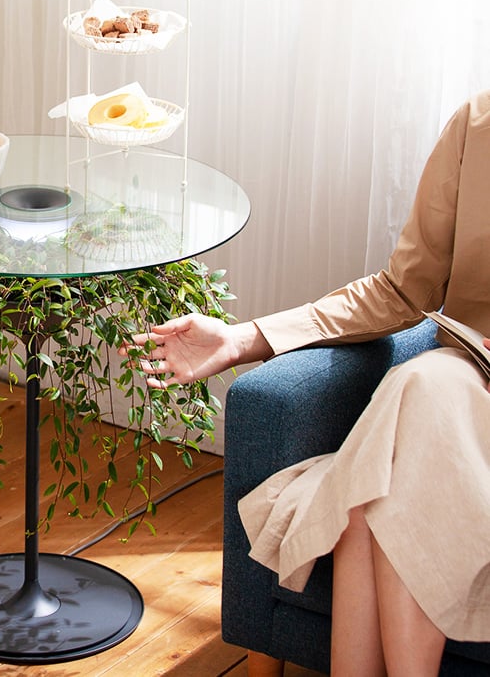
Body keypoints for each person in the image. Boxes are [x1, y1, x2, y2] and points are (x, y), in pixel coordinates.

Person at [122, 92, 490, 675]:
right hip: (473, 381)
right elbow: (403, 291)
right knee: (422, 381)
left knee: (366, 503)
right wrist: (242, 340)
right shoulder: (477, 124)